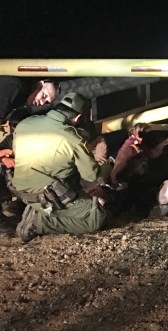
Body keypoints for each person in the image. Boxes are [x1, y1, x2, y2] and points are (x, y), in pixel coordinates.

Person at [10, 93, 108, 242]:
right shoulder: (72, 138)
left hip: (21, 191)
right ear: (77, 117)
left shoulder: (25, 124)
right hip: (50, 195)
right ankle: (40, 222)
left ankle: (39, 209)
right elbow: (91, 176)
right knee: (96, 218)